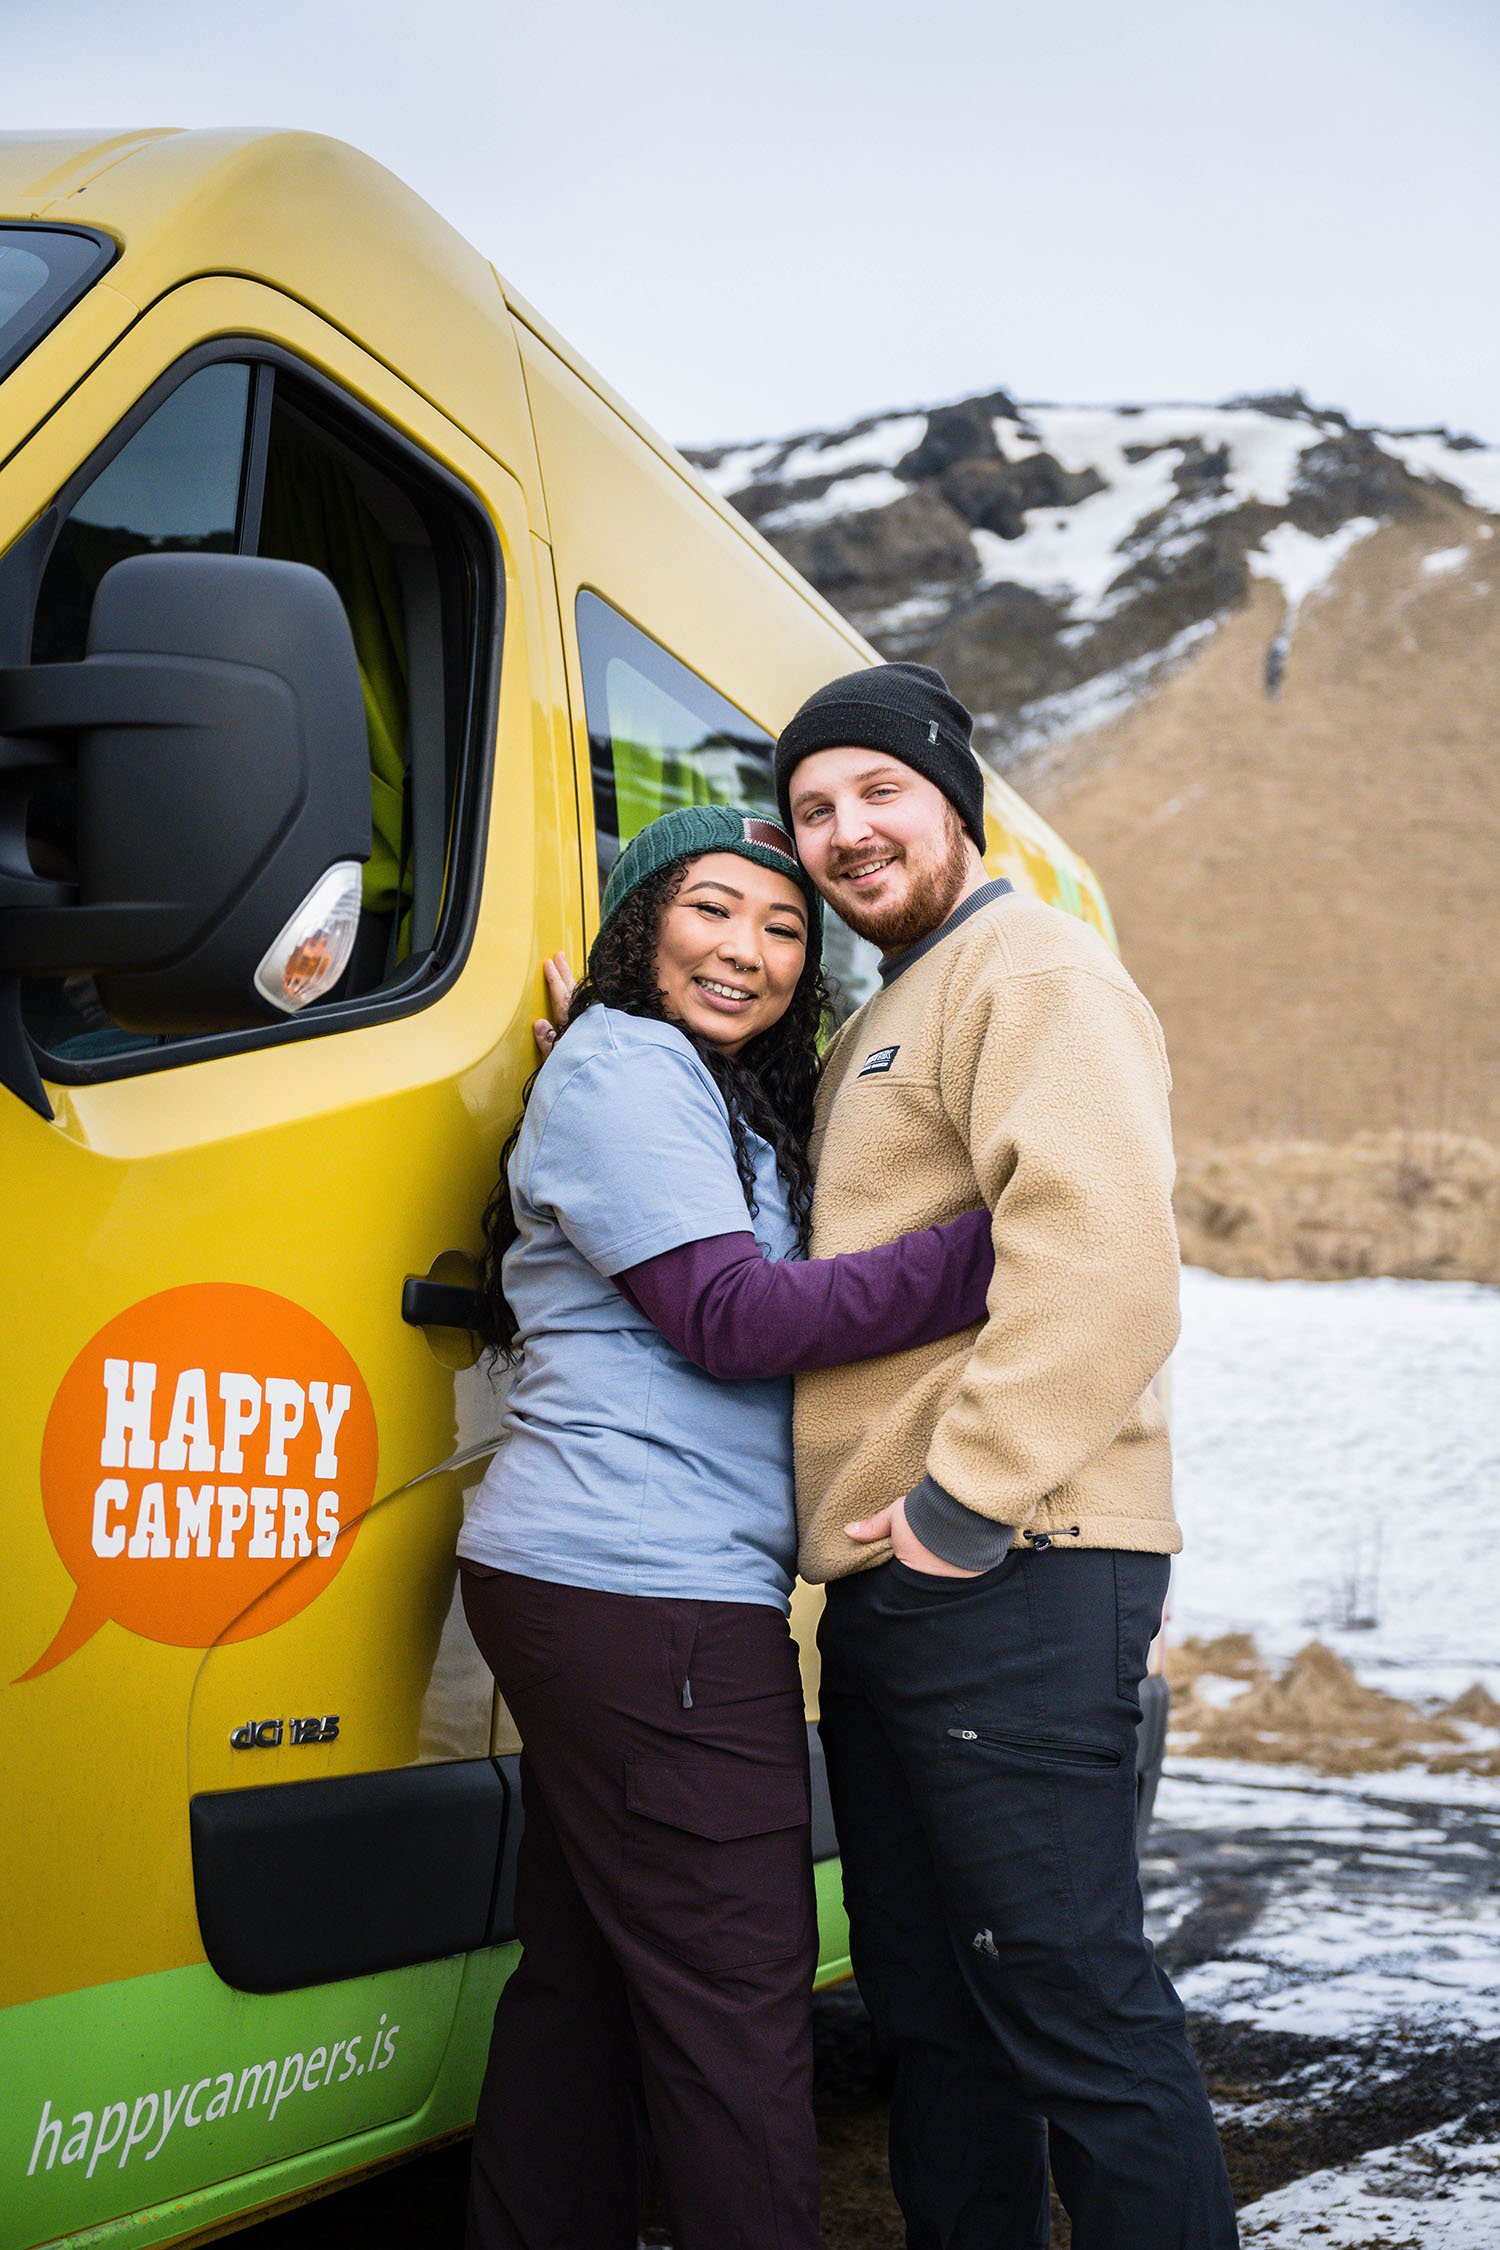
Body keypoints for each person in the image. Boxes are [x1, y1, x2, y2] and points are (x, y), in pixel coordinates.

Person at [458, 801, 996, 2250]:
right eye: (709, 910)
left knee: (584, 1985)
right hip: (647, 1592)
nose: (749, 952)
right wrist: (1002, 1239)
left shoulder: (682, 1080)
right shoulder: (630, 1065)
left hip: (609, 1580)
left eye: (780, 928)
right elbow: (731, 1316)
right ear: (642, 923)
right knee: (738, 2006)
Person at [776, 663, 1240, 2249]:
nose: (844, 832)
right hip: (913, 1581)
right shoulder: (895, 1006)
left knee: (1069, 2000)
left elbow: (1104, 1258)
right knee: (934, 2007)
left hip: (1013, 1563)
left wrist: (966, 1502)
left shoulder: (1032, 964)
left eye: (878, 793)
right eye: (814, 808)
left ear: (954, 802)